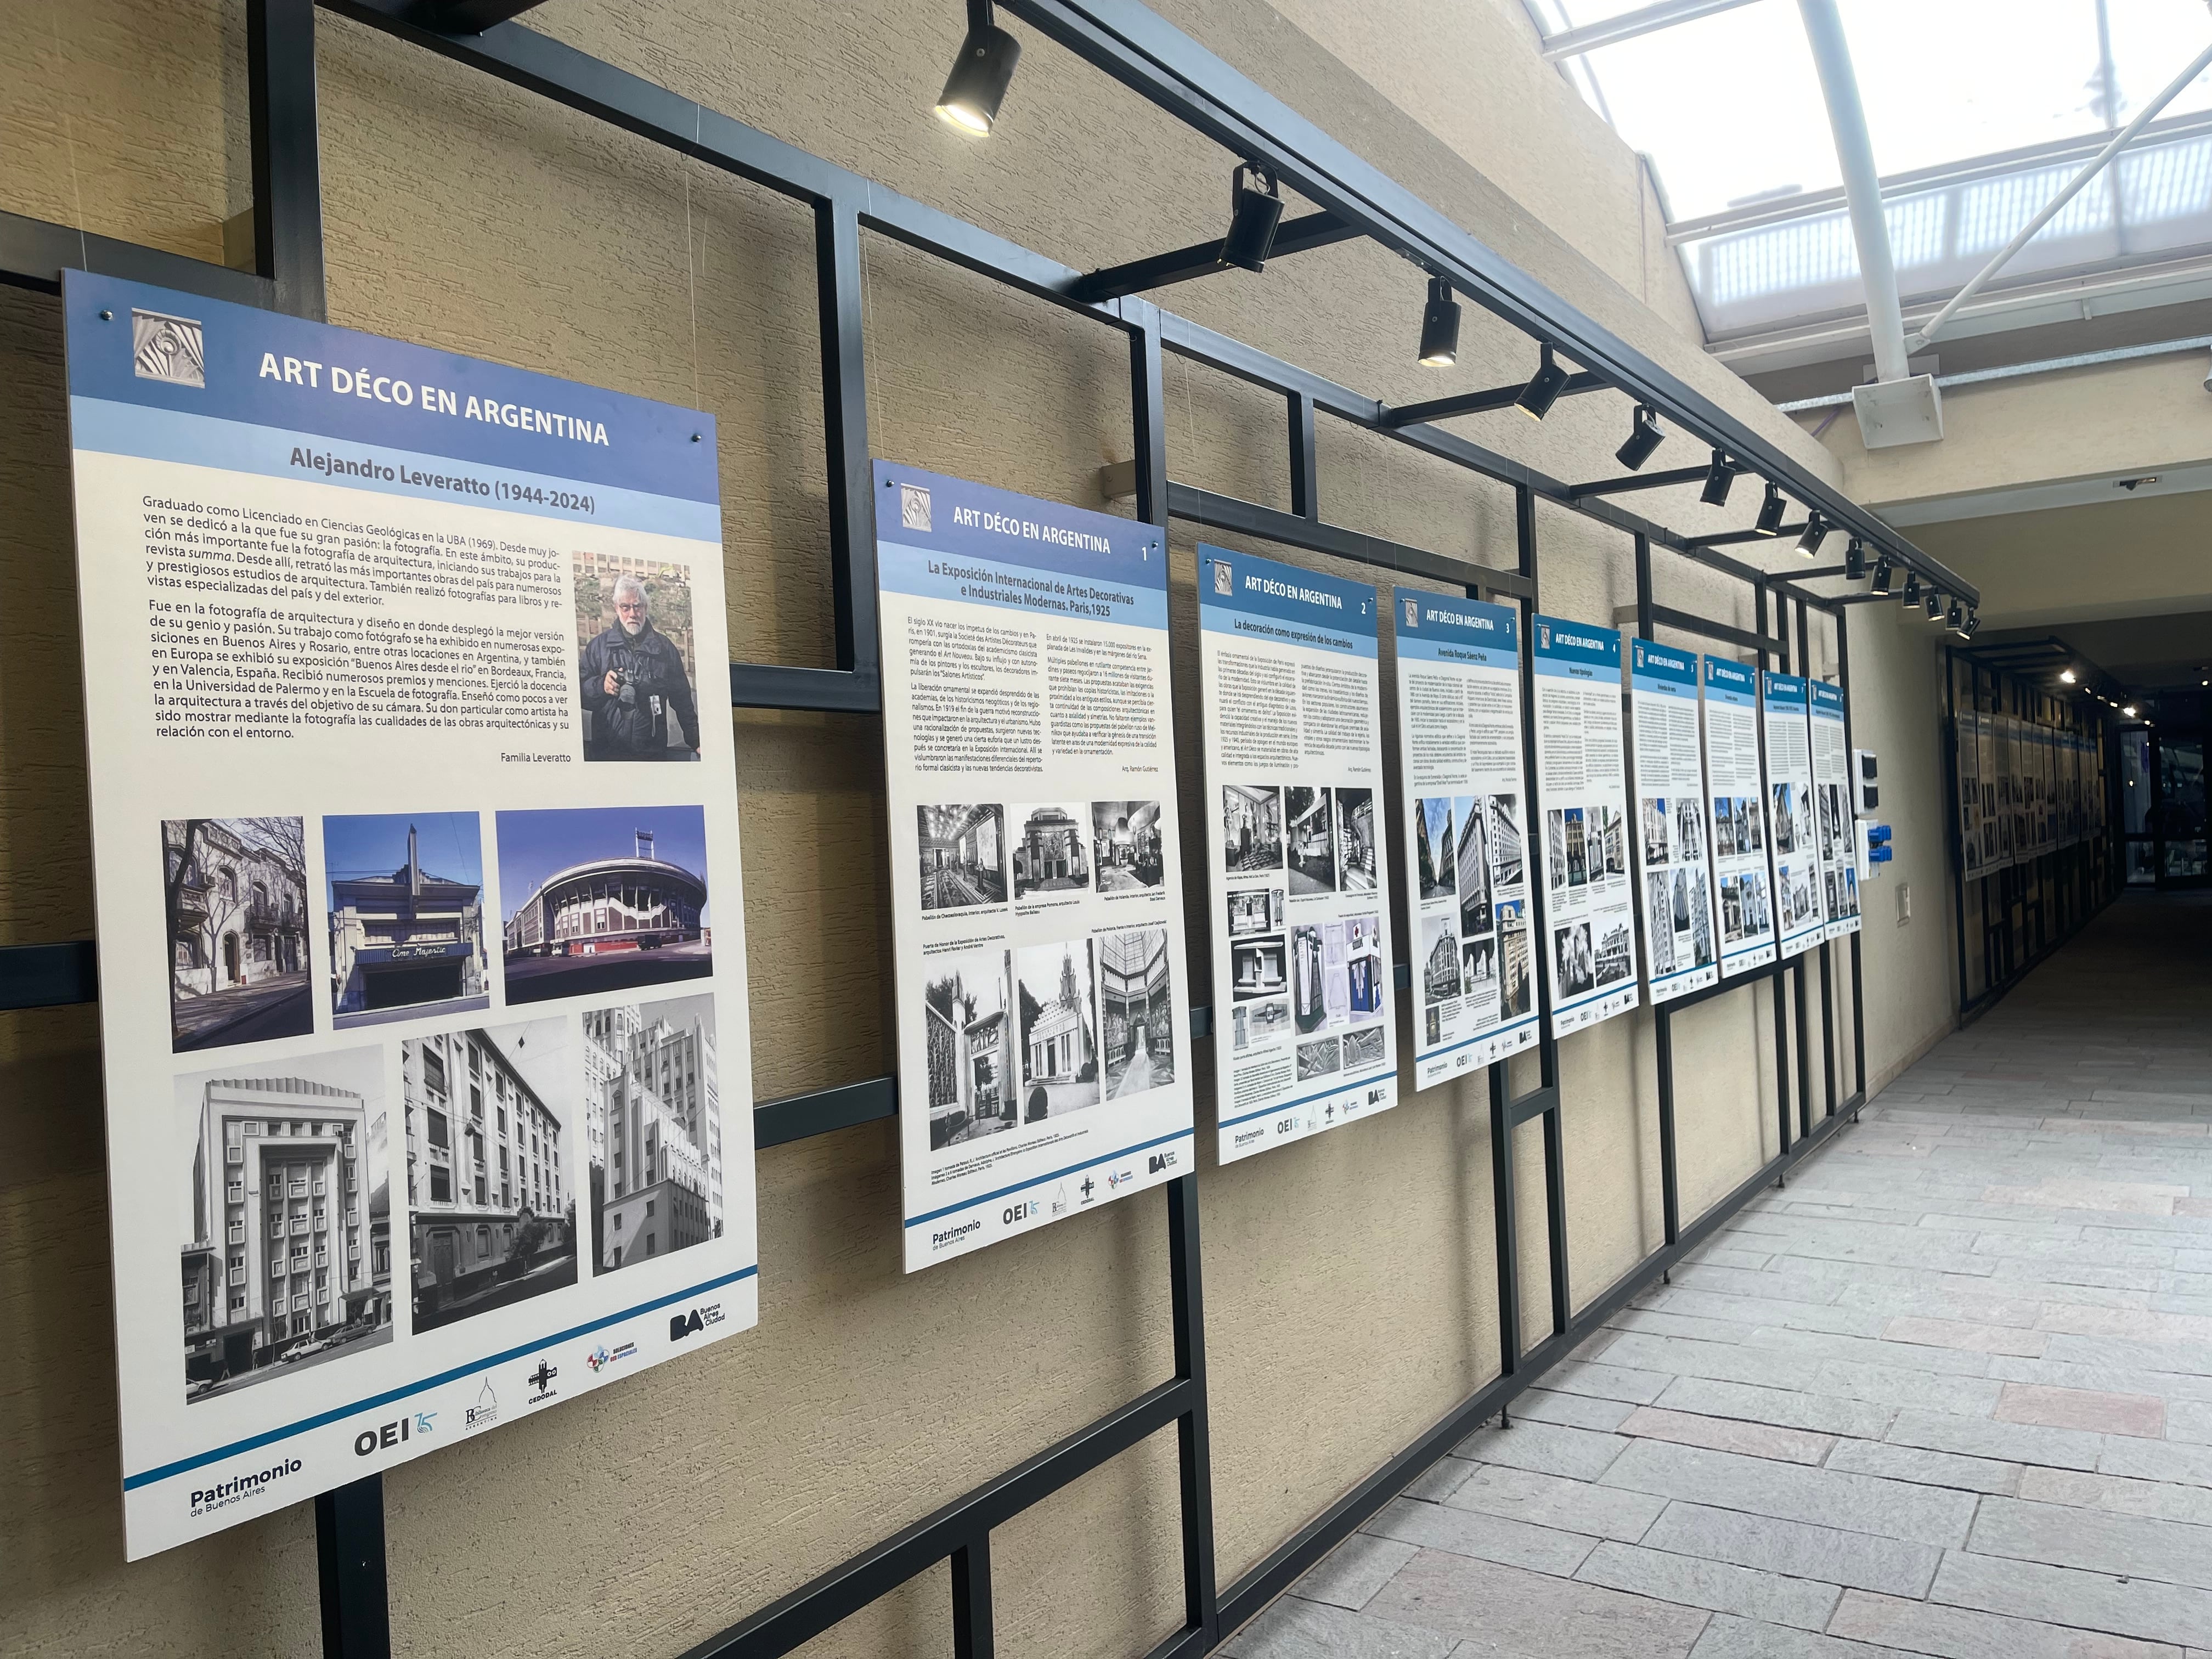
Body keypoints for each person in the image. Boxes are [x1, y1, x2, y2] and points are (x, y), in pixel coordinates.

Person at [579, 575, 699, 760]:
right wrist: (601, 686)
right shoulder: (598, 647)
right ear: (616, 608)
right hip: (606, 753)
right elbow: (579, 697)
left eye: (637, 606)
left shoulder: (664, 648)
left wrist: (696, 740)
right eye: (625, 607)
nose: (632, 614)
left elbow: (682, 699)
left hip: (651, 753)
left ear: (646, 608)